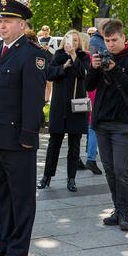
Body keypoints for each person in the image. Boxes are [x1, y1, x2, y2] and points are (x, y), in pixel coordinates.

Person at [0, 0, 47, 256]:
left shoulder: (32, 54)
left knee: (21, 197)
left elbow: (32, 99)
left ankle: (18, 248)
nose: (1, 25)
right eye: (0, 20)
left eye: (7, 21)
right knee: (1, 195)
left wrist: (29, 136)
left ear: (22, 24)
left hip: (17, 140)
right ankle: (2, 242)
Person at [85, 19, 128, 232]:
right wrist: (94, 69)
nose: (110, 44)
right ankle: (117, 208)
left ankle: (125, 212)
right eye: (107, 40)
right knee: (108, 169)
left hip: (123, 123)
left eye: (114, 40)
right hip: (101, 122)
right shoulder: (101, 57)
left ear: (124, 38)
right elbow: (88, 86)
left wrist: (116, 70)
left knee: (121, 169)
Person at [39, 30, 91, 192]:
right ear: (64, 41)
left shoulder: (83, 56)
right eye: (70, 40)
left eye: (76, 40)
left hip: (77, 106)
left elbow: (83, 73)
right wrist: (63, 66)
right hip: (59, 106)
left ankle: (71, 179)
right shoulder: (58, 55)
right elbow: (48, 74)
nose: (73, 43)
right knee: (54, 143)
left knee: (74, 145)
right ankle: (46, 177)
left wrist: (74, 56)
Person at [83, 25, 103, 175]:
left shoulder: (83, 56)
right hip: (94, 93)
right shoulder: (89, 56)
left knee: (91, 126)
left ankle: (89, 155)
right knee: (93, 126)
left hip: (89, 93)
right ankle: (91, 157)